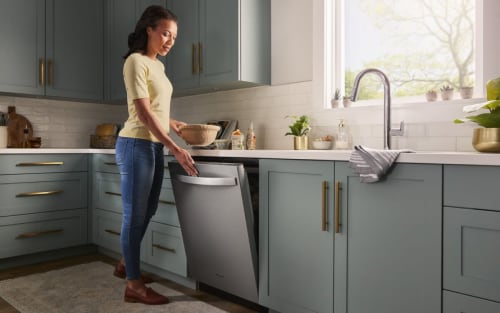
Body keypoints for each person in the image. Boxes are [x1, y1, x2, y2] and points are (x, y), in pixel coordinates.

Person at [113, 5, 198, 305]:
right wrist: (175, 146)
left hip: (152, 145)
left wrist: (173, 125)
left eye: (173, 37)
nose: (169, 41)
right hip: (136, 144)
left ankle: (126, 264)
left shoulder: (158, 66)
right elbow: (143, 113)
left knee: (147, 211)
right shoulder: (136, 62)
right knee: (134, 216)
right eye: (165, 33)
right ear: (148, 29)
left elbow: (157, 112)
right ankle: (133, 286)